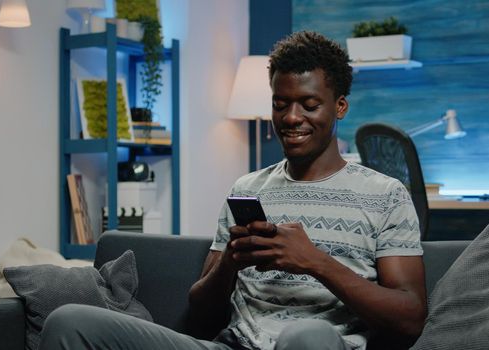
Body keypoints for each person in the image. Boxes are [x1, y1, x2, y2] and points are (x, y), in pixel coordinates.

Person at [40, 31, 426, 350]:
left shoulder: (386, 195)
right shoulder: (247, 188)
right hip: (233, 345)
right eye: (281, 104)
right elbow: (202, 314)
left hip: (318, 346)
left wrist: (314, 261)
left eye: (309, 105)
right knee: (69, 322)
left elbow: (410, 316)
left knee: (307, 337)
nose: (292, 118)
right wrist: (230, 263)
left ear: (339, 107)